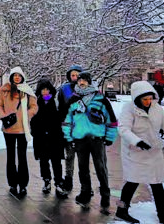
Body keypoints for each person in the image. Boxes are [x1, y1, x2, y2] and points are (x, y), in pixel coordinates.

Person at [116, 81, 164, 224]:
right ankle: (121, 210)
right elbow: (123, 129)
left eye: (150, 99)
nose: (148, 102)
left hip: (153, 151)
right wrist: (137, 141)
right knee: (132, 182)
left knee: (157, 182)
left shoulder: (157, 109)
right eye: (145, 99)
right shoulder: (129, 109)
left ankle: (162, 213)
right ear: (137, 98)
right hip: (135, 152)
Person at [62, 71, 118, 212]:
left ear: (89, 82)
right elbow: (67, 120)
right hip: (80, 139)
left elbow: (111, 120)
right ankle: (85, 194)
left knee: (101, 168)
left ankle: (105, 196)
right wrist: (69, 138)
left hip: (97, 139)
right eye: (80, 80)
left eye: (85, 80)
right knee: (83, 169)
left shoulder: (100, 99)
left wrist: (110, 137)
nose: (81, 82)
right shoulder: (73, 100)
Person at [0, 66, 38, 199]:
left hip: (22, 129)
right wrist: (3, 116)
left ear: (22, 77)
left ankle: (23, 184)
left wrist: (27, 115)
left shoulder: (26, 90)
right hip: (8, 128)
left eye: (19, 76)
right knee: (10, 157)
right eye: (14, 75)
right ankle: (12, 183)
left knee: (22, 157)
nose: (16, 78)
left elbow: (34, 106)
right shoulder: (4, 89)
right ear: (11, 77)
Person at [32, 79, 65, 196]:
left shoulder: (56, 103)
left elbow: (61, 118)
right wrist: (35, 132)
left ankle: (59, 182)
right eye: (43, 90)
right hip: (41, 138)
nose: (45, 92)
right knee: (44, 161)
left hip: (55, 137)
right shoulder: (36, 103)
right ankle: (46, 181)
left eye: (47, 89)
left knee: (56, 161)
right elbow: (33, 120)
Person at [56, 64, 83, 195]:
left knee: (83, 158)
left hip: (83, 129)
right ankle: (68, 182)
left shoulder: (86, 89)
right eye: (72, 75)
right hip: (68, 127)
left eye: (77, 75)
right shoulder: (64, 89)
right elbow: (60, 108)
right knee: (69, 157)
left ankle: (85, 186)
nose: (75, 77)